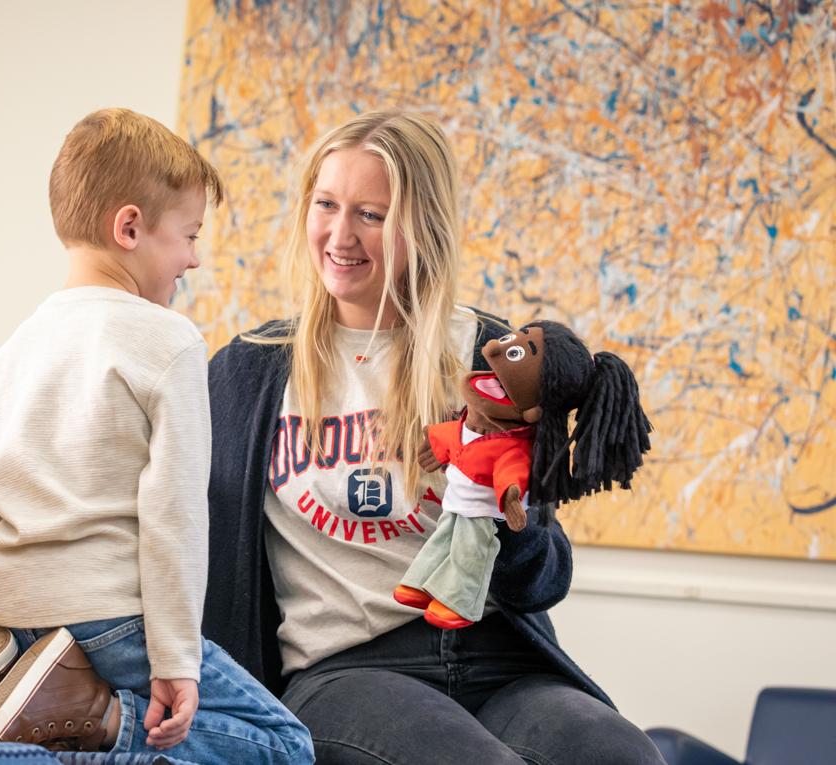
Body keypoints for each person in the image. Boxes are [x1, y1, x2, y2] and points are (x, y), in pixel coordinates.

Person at [201, 109, 666, 764]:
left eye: (371, 214)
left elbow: (545, 577)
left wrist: (519, 521)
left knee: (625, 755)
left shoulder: (485, 351)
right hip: (344, 669)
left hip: (500, 659)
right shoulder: (248, 370)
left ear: (422, 226)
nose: (340, 233)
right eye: (327, 204)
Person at [0, 107, 313, 764]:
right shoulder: (168, 341)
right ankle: (98, 713)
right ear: (130, 227)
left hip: (14, 618)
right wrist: (175, 659)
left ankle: (33, 700)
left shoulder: (13, 349)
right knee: (287, 746)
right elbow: (172, 514)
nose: (193, 259)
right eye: (188, 235)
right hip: (110, 621)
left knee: (55, 736)